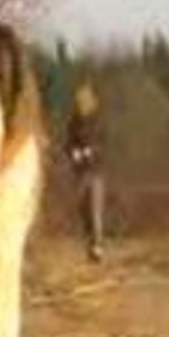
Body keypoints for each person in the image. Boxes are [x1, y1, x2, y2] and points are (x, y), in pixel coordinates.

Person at [64, 82, 106, 263]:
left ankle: (97, 246)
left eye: (84, 101)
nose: (81, 104)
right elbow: (67, 143)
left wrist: (90, 151)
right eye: (78, 101)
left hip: (96, 171)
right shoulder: (73, 122)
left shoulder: (98, 121)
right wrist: (72, 152)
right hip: (79, 172)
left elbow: (105, 144)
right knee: (84, 212)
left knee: (95, 210)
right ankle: (90, 245)